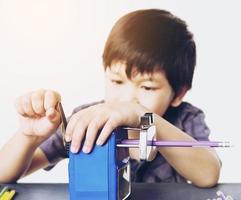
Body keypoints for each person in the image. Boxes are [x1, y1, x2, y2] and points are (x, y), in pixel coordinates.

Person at [0, 9, 221, 187]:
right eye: (117, 81)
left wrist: (142, 115)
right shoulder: (86, 121)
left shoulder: (186, 119)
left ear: (179, 93)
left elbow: (209, 174)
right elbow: (3, 174)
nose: (127, 98)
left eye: (147, 87)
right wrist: (28, 137)